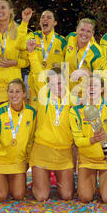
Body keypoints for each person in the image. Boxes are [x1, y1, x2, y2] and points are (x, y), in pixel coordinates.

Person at [69, 75, 107, 204]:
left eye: (96, 85)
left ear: (103, 89)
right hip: (87, 160)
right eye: (89, 85)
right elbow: (78, 141)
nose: (92, 88)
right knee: (85, 198)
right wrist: (92, 140)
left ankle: (103, 184)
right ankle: (91, 183)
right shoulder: (76, 111)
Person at [0, 79, 37, 202]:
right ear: (7, 94)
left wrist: (27, 160)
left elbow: (31, 140)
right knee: (1, 196)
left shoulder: (31, 113)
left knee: (18, 195)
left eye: (17, 91)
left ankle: (5, 181)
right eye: (11, 91)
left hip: (18, 161)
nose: (14, 95)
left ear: (24, 94)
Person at [29, 67, 75, 201]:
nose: (56, 87)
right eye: (52, 84)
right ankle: (40, 182)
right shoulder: (43, 96)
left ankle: (55, 180)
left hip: (63, 154)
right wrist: (32, 53)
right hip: (43, 151)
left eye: (59, 83)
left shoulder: (73, 99)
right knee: (41, 196)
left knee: (66, 195)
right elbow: (37, 71)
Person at [0, 0, 33, 114]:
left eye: (3, 7)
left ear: (11, 11)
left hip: (14, 85)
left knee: (15, 125)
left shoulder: (20, 30)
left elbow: (26, 61)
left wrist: (15, 62)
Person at [26, 9, 67, 107]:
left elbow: (67, 65)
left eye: (49, 18)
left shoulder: (62, 41)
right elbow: (20, 43)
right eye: (43, 17)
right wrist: (25, 22)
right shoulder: (33, 36)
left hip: (55, 87)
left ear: (55, 23)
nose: (45, 19)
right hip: (35, 85)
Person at [64, 18, 107, 105]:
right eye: (82, 30)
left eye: (88, 31)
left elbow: (103, 79)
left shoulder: (96, 52)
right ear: (77, 30)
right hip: (66, 94)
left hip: (83, 97)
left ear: (92, 34)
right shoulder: (70, 38)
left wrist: (87, 72)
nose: (84, 34)